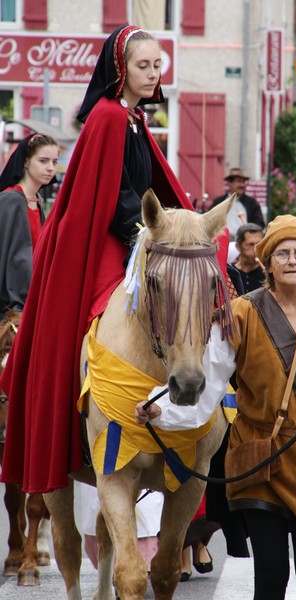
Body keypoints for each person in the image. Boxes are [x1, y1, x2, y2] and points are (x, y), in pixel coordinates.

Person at [0, 25, 229, 494]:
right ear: (121, 69)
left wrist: (185, 229)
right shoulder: (107, 118)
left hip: (135, 231)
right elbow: (115, 196)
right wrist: (142, 234)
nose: (151, 74)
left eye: (157, 66)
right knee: (96, 315)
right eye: (143, 66)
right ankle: (77, 424)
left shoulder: (134, 119)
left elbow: (158, 188)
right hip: (105, 235)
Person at [136, 214, 296, 600]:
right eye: (281, 253)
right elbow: (210, 382)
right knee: (270, 577)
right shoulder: (241, 314)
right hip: (258, 460)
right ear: (267, 262)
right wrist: (163, 409)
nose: (291, 260)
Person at [0, 133, 59, 320]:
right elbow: (12, 262)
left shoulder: (35, 202)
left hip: (31, 305)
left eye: (54, 162)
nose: (50, 168)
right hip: (12, 311)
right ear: (26, 162)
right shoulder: (12, 200)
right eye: (43, 161)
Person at [211, 167, 265, 240]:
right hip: (222, 241)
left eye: (243, 182)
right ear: (230, 183)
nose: (242, 185)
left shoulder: (252, 203)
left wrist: (250, 232)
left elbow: (259, 224)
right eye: (239, 181)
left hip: (244, 243)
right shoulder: (218, 202)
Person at [231, 223, 265, 293]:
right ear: (238, 247)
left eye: (259, 244)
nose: (256, 249)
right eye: (251, 244)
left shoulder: (268, 273)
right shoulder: (230, 273)